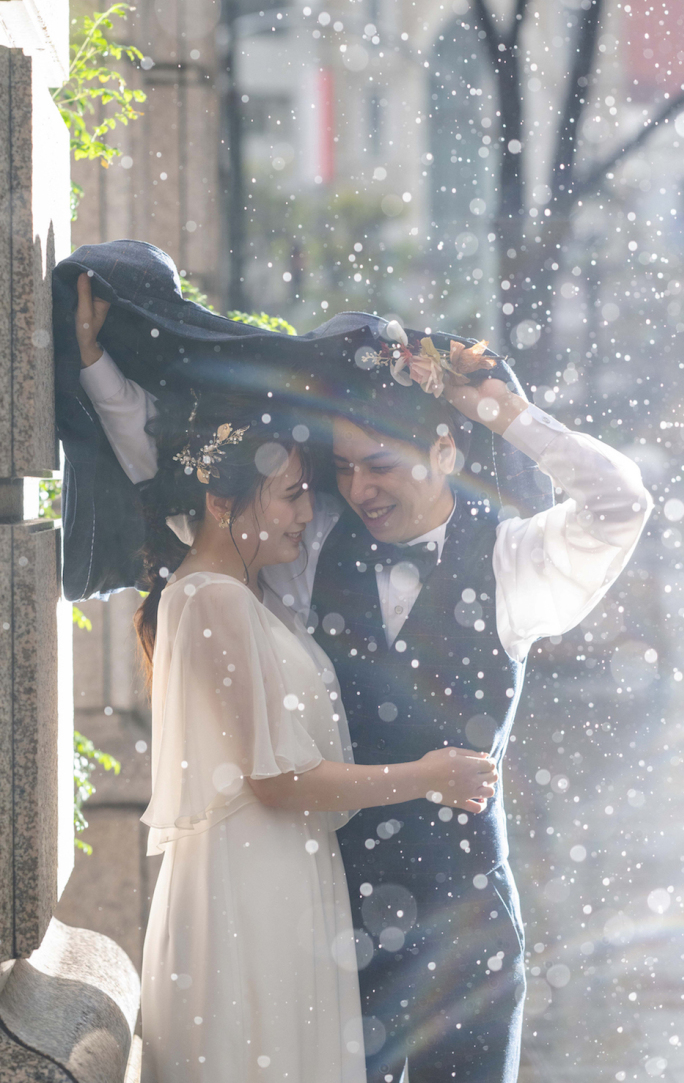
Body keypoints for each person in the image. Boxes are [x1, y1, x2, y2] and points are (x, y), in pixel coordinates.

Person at [75, 273, 652, 1082]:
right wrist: (101, 373)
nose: (357, 490)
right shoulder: (313, 554)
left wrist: (502, 411)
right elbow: (201, 513)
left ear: (445, 452)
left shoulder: (516, 561)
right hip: (339, 931)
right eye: (343, 468)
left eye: (379, 465)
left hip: (467, 937)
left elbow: (621, 503)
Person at [136, 386, 497, 1083]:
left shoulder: (242, 593)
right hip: (251, 887)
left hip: (278, 876)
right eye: (291, 495)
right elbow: (276, 781)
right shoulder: (211, 597)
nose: (309, 512)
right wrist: (428, 776)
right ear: (220, 503)